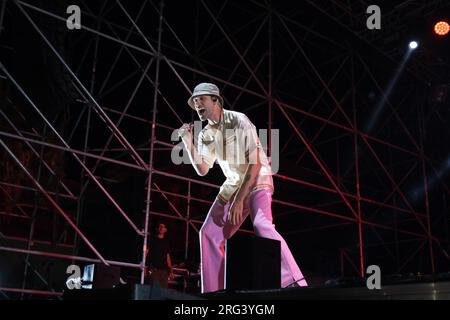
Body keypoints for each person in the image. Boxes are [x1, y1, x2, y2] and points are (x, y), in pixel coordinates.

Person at [178, 83, 307, 293]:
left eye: (201, 99)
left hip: (256, 178)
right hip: (233, 184)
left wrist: (240, 200)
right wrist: (187, 140)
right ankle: (214, 292)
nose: (196, 103)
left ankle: (295, 282)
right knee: (208, 233)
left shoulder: (238, 120)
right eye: (194, 101)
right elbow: (202, 168)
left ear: (215, 100)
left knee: (262, 225)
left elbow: (255, 162)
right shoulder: (206, 134)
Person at [146, 222, 174, 288]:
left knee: (163, 292)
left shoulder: (166, 242)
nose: (161, 228)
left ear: (165, 230)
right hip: (154, 270)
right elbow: (146, 253)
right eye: (160, 227)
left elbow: (167, 256)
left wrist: (171, 270)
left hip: (164, 271)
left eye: (163, 227)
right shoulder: (152, 240)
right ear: (157, 229)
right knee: (154, 290)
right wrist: (145, 268)